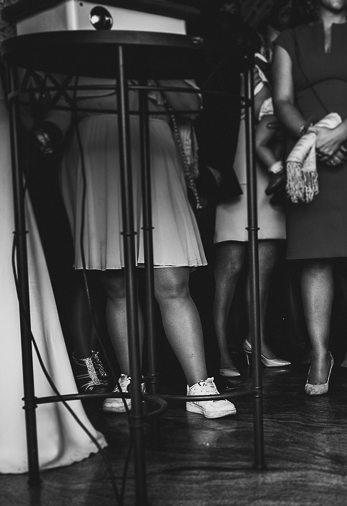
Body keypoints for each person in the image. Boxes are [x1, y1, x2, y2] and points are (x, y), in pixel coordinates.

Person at [38, 77, 236, 419]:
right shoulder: (80, 58)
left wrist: (154, 67)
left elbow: (190, 104)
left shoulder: (154, 48)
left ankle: (200, 384)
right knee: (116, 283)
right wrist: (44, 134)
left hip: (152, 153)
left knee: (172, 280)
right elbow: (59, 114)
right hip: (96, 159)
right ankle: (132, 381)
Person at [1, 7, 106, 473]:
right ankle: (83, 363)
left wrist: (43, 131)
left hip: (36, 154)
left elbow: (61, 91)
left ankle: (82, 364)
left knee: (60, 267)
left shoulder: (28, 37)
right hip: (29, 147)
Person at [272, 0, 347, 396]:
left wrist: (338, 135)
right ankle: (321, 354)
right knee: (313, 255)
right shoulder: (288, 40)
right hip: (308, 153)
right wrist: (315, 138)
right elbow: (282, 101)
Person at [213, 9, 291, 379]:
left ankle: (254, 341)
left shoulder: (285, 64)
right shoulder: (242, 58)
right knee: (229, 267)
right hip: (239, 165)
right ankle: (219, 350)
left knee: (265, 266)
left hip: (269, 170)